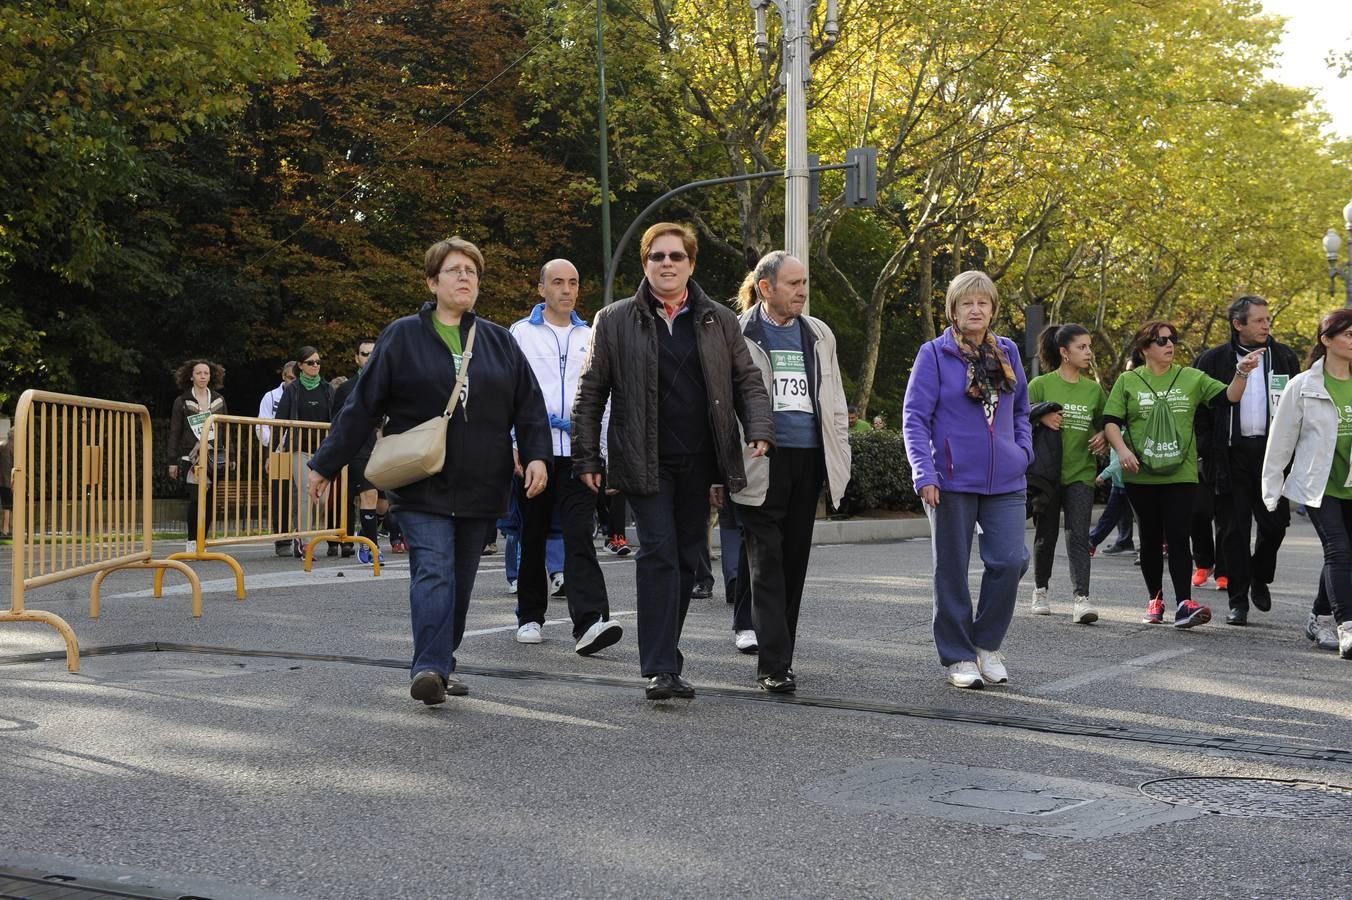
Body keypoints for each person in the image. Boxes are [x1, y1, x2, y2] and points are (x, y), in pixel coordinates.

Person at [307, 236, 551, 705]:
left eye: (472, 272)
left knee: (459, 583)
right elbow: (362, 405)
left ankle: (442, 659)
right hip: (421, 481)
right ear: (432, 281)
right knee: (434, 572)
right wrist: (326, 461)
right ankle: (429, 668)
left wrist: (536, 453)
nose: (465, 278)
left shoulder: (499, 341)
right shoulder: (402, 335)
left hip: (482, 483)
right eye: (455, 270)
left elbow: (529, 405)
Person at [573, 221, 773, 701]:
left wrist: (761, 428)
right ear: (645, 263)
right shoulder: (615, 319)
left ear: (691, 264)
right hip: (644, 459)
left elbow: (747, 380)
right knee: (658, 553)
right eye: (657, 256)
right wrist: (587, 454)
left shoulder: (719, 320)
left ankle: (668, 656)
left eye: (676, 257)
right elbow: (591, 392)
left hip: (702, 460)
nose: (667, 264)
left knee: (687, 560)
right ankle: (660, 667)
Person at [902, 270, 1030, 690]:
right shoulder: (934, 354)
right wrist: (925, 472)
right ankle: (958, 654)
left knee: (1011, 560)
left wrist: (1022, 452)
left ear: (993, 309)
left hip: (1006, 479)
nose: (976, 310)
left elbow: (1023, 412)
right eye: (966, 304)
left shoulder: (1007, 351)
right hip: (950, 479)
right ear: (953, 311)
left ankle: (987, 643)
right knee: (951, 570)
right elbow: (915, 418)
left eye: (983, 303)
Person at [730, 251, 851, 692]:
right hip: (759, 459)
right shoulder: (738, 333)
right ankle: (774, 664)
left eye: (804, 283)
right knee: (766, 560)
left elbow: (834, 400)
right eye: (793, 284)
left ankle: (781, 653)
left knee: (794, 560)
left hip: (808, 459)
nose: (802, 291)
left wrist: (841, 456)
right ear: (766, 288)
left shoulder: (819, 333)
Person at [1103, 320, 1263, 628]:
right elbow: (1111, 420)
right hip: (1141, 474)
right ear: (1145, 348)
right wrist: (1123, 451)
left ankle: (1184, 603)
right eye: (1161, 340)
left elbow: (1229, 397)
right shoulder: (1128, 380)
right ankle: (1155, 599)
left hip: (1181, 474)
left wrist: (1242, 372)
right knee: (1149, 539)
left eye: (1172, 339)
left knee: (1178, 537)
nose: (1169, 345)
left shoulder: (1191, 377)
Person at [508, 258, 623, 655]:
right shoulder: (521, 334)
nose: (566, 290)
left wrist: (602, 452)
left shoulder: (590, 335)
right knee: (533, 535)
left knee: (579, 533)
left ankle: (591, 621)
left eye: (573, 282)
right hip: (535, 451)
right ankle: (529, 616)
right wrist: (515, 443)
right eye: (557, 282)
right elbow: (509, 391)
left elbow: (603, 398)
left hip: (578, 453)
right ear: (541, 289)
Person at [1193, 295, 1301, 625]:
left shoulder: (1284, 357)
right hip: (1230, 456)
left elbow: (1297, 406)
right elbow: (1202, 411)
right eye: (1258, 320)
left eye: (1268, 319)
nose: (1266, 324)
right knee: (1233, 531)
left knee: (1275, 525)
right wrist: (1206, 454)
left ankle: (1260, 574)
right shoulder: (1212, 360)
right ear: (1238, 325)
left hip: (1273, 456)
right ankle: (1238, 600)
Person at [1262, 308, 1352, 659]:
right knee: (1339, 550)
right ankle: (1346, 627)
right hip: (1319, 486)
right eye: (1346, 334)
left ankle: (1320, 615)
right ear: (1326, 340)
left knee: (1345, 555)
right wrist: (1271, 491)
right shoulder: (1303, 386)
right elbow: (1280, 442)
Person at [1026, 324, 1107, 624]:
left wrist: (1103, 436)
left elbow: (1106, 421)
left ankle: (1081, 600)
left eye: (1089, 347)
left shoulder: (1093, 389)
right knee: (1045, 536)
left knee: (1078, 536)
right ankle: (1040, 591)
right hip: (1045, 474)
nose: (1088, 353)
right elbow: (1018, 415)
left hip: (1081, 472)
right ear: (1064, 352)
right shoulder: (1041, 385)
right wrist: (1041, 415)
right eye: (1082, 347)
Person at [276, 345, 337, 558]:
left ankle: (301, 534)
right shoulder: (292, 390)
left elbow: (336, 419)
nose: (315, 366)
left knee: (320, 498)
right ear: (300, 366)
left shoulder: (327, 388)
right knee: (305, 492)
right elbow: (279, 422)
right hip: (298, 449)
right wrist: (272, 453)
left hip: (323, 452)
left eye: (318, 362)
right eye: (311, 362)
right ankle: (305, 542)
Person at [166, 359, 228, 553]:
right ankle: (192, 541)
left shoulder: (219, 399)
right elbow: (175, 432)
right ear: (191, 376)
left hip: (213, 457)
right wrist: (172, 461)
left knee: (209, 500)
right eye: (199, 373)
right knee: (195, 499)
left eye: (206, 373)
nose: (203, 376)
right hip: (189, 457)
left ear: (211, 376)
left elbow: (226, 429)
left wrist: (231, 455)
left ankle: (203, 540)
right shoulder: (182, 401)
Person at [332, 339, 379, 563]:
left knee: (383, 504)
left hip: (381, 449)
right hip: (356, 449)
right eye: (364, 353)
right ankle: (371, 549)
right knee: (364, 496)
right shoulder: (346, 388)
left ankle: (365, 536)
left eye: (373, 353)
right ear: (356, 358)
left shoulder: (388, 383)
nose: (369, 357)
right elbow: (336, 423)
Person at [257, 361, 298, 556]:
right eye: (290, 378)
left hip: (298, 449)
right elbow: (261, 425)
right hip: (277, 451)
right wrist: (275, 444)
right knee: (280, 494)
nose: (293, 382)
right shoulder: (270, 396)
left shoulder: (302, 394)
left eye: (296, 378)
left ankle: (301, 537)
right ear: (283, 376)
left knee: (300, 494)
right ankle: (282, 539)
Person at [1089, 448, 1134, 554]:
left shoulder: (1122, 434)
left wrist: (1104, 474)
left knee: (1109, 516)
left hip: (1129, 483)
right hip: (1119, 484)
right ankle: (1124, 543)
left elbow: (1121, 460)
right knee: (1120, 517)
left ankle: (1091, 541)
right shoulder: (1114, 435)